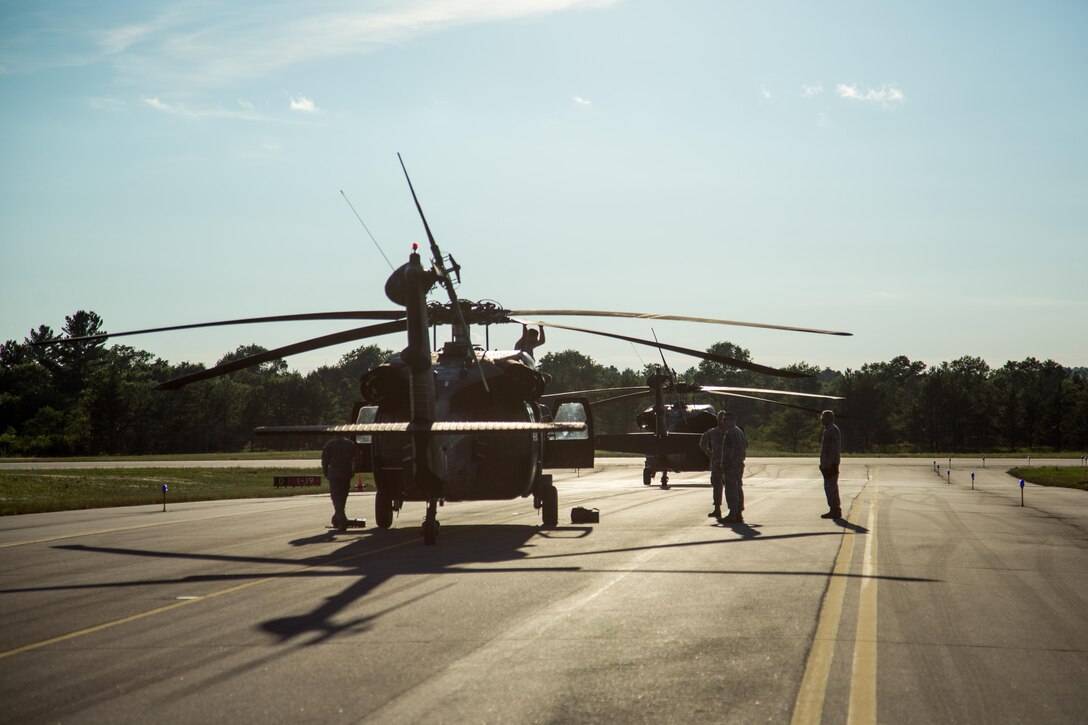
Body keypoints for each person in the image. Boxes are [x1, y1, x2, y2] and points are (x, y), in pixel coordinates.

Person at [322, 436, 362, 529]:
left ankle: (341, 520)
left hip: (334, 474)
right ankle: (337, 518)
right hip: (346, 473)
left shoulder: (330, 444)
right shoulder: (350, 444)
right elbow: (359, 456)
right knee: (343, 496)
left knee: (336, 497)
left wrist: (325, 472)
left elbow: (325, 460)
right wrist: (355, 469)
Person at [718, 411, 747, 524]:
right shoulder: (739, 432)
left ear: (731, 421)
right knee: (738, 488)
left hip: (732, 465)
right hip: (739, 464)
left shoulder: (731, 433)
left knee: (731, 489)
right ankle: (738, 513)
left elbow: (729, 452)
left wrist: (723, 465)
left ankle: (733, 513)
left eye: (725, 419)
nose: (723, 422)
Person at [699, 410, 729, 519]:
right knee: (717, 486)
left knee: (731, 486)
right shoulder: (713, 432)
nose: (721, 421)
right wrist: (708, 453)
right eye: (719, 418)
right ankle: (717, 509)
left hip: (729, 463)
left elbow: (743, 445)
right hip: (716, 463)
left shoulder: (731, 432)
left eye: (723, 418)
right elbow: (702, 442)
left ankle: (734, 510)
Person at [819, 410, 842, 519]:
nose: (821, 419)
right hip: (828, 465)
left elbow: (832, 449)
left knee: (831, 488)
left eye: (823, 417)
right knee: (829, 488)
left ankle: (835, 510)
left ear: (828, 418)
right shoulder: (828, 430)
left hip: (831, 465)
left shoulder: (832, 430)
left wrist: (828, 464)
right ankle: (834, 509)